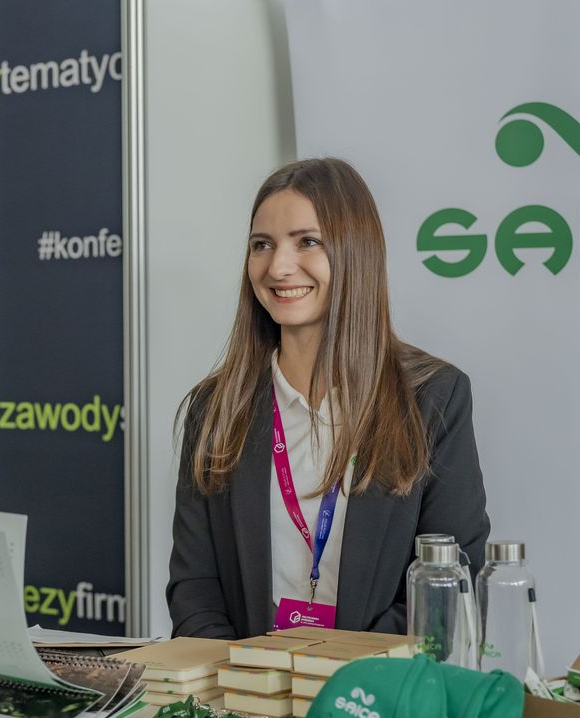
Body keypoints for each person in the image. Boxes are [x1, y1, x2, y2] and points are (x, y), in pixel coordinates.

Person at [168, 158, 490, 640]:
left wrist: (340, 673)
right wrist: (247, 678)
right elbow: (195, 592)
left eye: (307, 242)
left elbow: (451, 586)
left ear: (355, 252)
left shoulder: (434, 398)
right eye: (262, 245)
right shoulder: (216, 408)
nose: (278, 266)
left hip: (377, 682)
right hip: (244, 682)